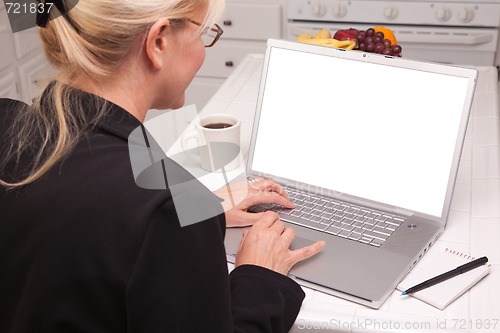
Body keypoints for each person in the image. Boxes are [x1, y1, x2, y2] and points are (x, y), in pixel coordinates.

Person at [0, 0, 325, 332]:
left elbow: (95, 171)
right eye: (203, 34)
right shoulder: (161, 212)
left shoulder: (10, 121)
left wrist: (197, 204)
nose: (203, 50)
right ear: (158, 42)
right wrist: (261, 276)